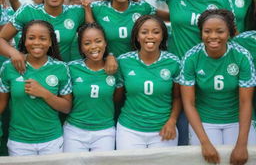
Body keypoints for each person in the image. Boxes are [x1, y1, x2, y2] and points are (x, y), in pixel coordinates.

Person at [134, 0, 234, 145]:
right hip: (180, 73)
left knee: (211, 130)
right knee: (182, 130)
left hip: (210, 71)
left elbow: (231, 37)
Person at [180, 9, 256, 165]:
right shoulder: (191, 57)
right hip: (205, 121)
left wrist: (242, 144)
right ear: (201, 33)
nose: (213, 36)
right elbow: (189, 103)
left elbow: (245, 102)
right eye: (207, 31)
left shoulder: (242, 56)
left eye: (220, 31)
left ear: (229, 33)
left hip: (236, 120)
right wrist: (205, 142)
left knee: (241, 159)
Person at [0, 0, 94, 70]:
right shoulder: (28, 11)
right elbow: (1, 39)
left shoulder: (76, 12)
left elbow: (95, 33)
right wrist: (13, 53)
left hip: (62, 76)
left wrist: (88, 10)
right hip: (30, 73)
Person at [0, 20, 72, 156]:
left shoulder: (61, 68)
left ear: (50, 42)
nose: (37, 42)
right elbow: (1, 103)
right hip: (19, 141)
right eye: (31, 38)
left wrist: (45, 93)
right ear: (24, 41)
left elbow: (67, 107)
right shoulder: (9, 67)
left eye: (43, 38)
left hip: (52, 141)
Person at [116, 15, 181, 150]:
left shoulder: (173, 62)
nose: (150, 36)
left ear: (163, 36)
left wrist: (172, 121)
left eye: (156, 32)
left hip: (163, 129)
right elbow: (117, 97)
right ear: (137, 36)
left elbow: (177, 97)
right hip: (129, 129)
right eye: (144, 32)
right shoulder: (123, 61)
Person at [64, 23, 122, 152]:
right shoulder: (71, 68)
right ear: (81, 47)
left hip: (105, 131)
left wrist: (111, 56)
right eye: (87, 43)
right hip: (74, 130)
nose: (93, 46)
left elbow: (117, 98)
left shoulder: (115, 68)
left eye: (98, 41)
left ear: (105, 43)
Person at [89, 0, 169, 58]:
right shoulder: (96, 8)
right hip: (107, 69)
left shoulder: (143, 8)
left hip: (135, 68)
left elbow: (172, 17)